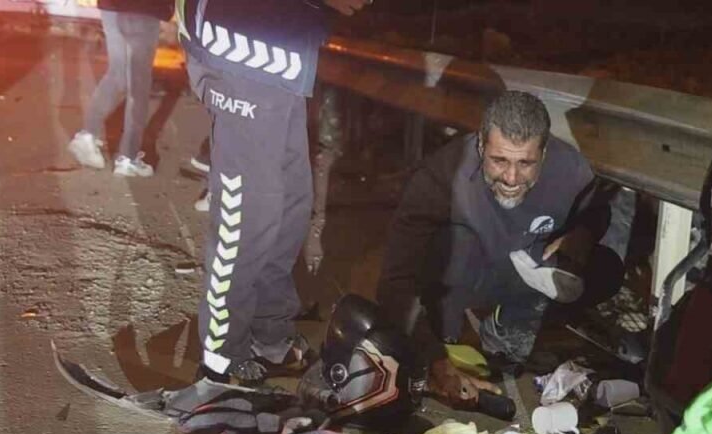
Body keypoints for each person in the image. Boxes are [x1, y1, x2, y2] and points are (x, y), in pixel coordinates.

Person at [376, 91, 622, 409]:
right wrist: (435, 362)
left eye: (525, 163)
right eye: (499, 160)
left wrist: (579, 238)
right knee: (454, 246)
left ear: (544, 153)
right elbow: (396, 280)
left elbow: (596, 212)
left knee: (606, 268)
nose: (511, 178)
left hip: (523, 265)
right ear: (481, 145)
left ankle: (508, 325)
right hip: (465, 272)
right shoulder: (439, 177)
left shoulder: (572, 169)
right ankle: (451, 331)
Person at [177, 0, 371, 384]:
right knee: (248, 216)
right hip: (237, 43)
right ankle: (220, 359)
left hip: (283, 56)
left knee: (290, 208)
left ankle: (269, 336)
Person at [67, 0, 174, 177]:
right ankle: (128, 157)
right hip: (144, 9)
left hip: (112, 6)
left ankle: (87, 136)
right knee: (138, 86)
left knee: (118, 74)